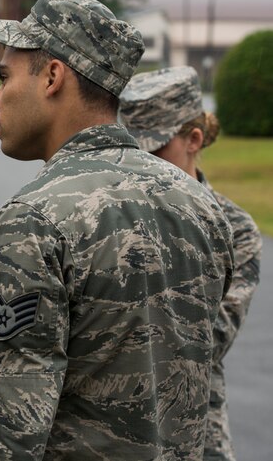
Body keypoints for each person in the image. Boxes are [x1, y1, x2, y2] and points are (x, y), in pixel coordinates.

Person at [0, 0, 234, 460]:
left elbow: (3, 435)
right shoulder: (200, 205)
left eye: (5, 78)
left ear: (52, 76)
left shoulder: (34, 220)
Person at [118, 66, 262, 461]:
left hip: (191, 433)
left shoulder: (234, 230)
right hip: (102, 434)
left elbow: (204, 342)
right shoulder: (111, 217)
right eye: (132, 152)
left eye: (154, 150)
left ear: (193, 139)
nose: (141, 165)